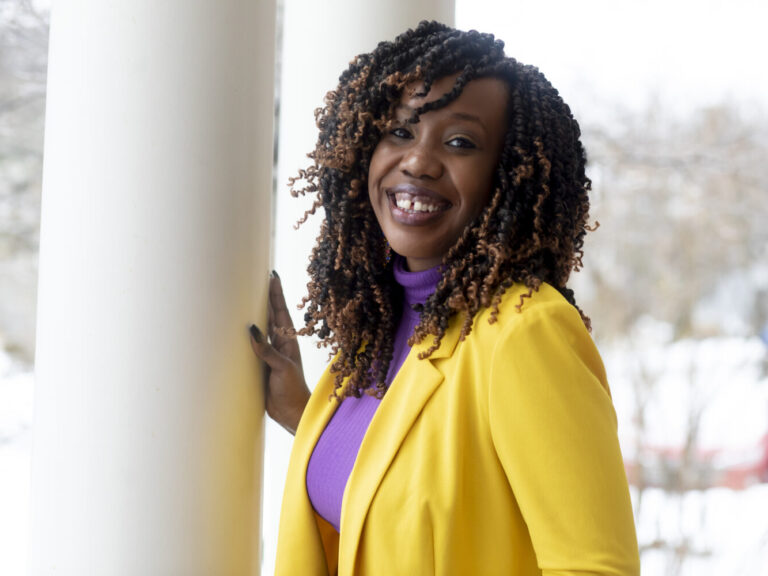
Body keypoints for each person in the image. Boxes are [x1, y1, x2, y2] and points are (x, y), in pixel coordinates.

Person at [249, 20, 640, 576]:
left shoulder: (529, 332)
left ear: (506, 174)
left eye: (460, 142)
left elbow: (597, 568)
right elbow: (406, 478)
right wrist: (307, 415)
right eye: (400, 132)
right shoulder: (375, 335)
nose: (419, 161)